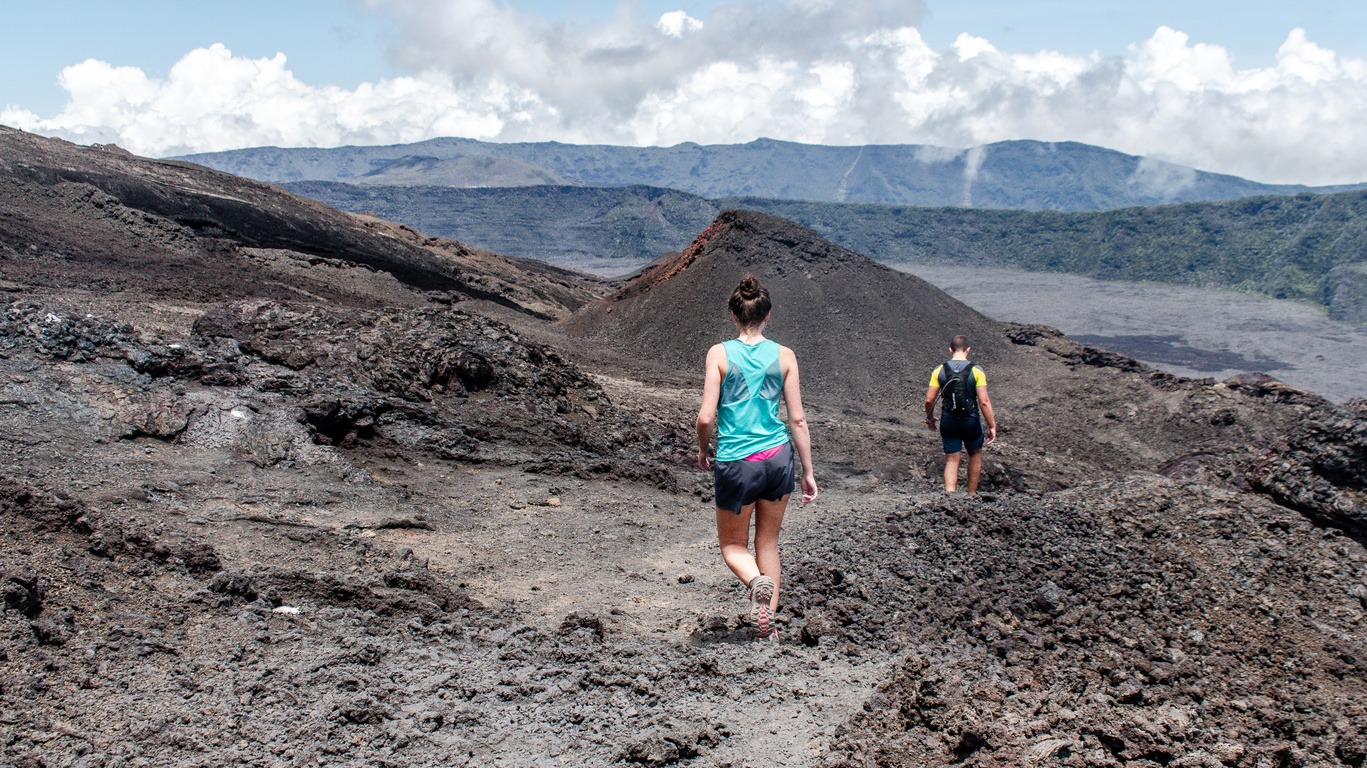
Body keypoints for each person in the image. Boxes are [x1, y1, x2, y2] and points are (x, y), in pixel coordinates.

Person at [696, 274, 818, 641]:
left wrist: (703, 449)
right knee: (768, 542)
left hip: (737, 462)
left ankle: (755, 582)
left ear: (733, 315)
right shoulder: (784, 356)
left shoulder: (719, 353)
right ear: (768, 316)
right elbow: (797, 418)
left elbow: (705, 416)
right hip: (779, 458)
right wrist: (808, 472)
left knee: (734, 545)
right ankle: (769, 628)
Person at [924, 335, 997, 494]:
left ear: (950, 349)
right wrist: (991, 426)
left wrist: (930, 418)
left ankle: (950, 496)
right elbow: (984, 401)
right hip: (970, 420)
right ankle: (971, 496)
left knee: (951, 458)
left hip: (949, 420)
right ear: (968, 350)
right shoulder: (977, 371)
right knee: (975, 454)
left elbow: (929, 399)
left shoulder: (939, 370)